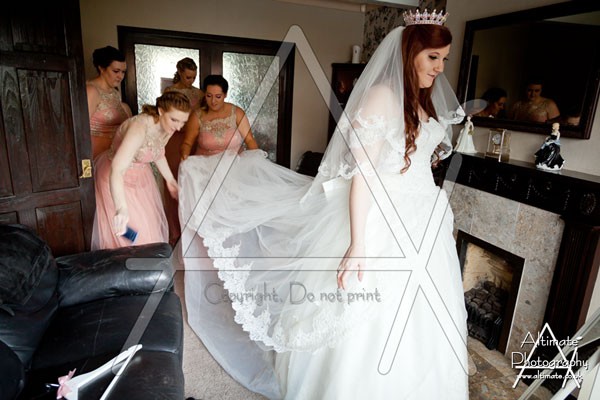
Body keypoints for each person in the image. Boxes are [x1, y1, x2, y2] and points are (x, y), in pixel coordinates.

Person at [181, 10, 468, 399]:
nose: (440, 67)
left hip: (424, 220)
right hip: (383, 220)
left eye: (444, 59)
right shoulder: (381, 97)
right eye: (433, 57)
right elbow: (363, 175)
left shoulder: (422, 102)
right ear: (410, 51)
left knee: (425, 318)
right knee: (366, 315)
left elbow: (410, 157)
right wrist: (358, 244)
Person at [91, 92, 191, 250]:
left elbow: (158, 152)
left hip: (141, 181)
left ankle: (146, 264)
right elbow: (117, 169)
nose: (178, 127)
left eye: (183, 122)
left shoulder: (168, 126)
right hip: (117, 182)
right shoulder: (139, 128)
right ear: (161, 111)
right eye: (174, 120)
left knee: (148, 232)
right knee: (130, 236)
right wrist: (121, 208)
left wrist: (170, 180)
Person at [162, 58, 204, 245]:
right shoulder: (170, 92)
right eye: (188, 77)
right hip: (174, 139)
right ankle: (175, 231)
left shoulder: (200, 93)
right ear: (179, 72)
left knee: (194, 184)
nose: (191, 81)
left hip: (194, 140)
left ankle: (193, 228)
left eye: (194, 77)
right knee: (174, 179)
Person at [86, 46, 132, 160]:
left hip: (115, 155)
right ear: (102, 68)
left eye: (123, 72)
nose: (120, 76)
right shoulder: (91, 90)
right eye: (116, 71)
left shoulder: (115, 92)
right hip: (97, 155)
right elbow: (80, 130)